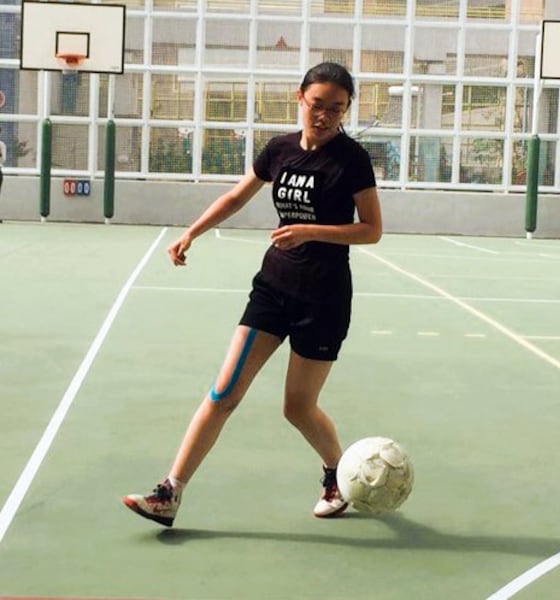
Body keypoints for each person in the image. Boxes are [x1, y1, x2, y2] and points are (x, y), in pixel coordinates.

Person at [123, 62, 382, 526]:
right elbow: (237, 196)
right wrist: (191, 233)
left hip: (323, 298)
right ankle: (170, 493)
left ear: (346, 111)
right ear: (299, 98)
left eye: (336, 109)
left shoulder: (351, 159)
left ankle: (337, 475)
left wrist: (311, 231)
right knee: (224, 393)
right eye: (317, 105)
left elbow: (372, 230)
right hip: (273, 288)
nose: (323, 116)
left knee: (297, 407)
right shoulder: (279, 149)